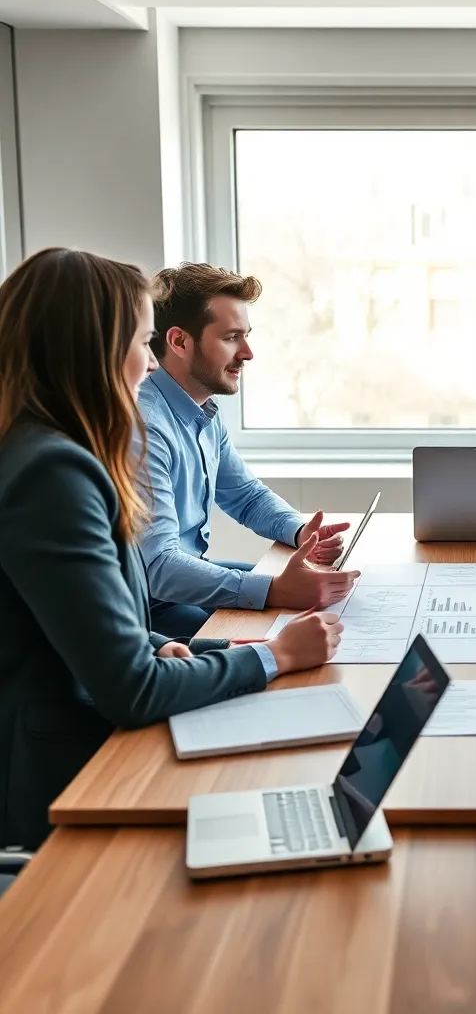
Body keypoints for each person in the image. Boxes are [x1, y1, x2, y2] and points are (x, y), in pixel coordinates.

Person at [0, 248, 341, 849]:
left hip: (88, 732)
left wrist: (198, 646)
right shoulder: (53, 473)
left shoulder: (56, 452)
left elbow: (97, 622)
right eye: (140, 341)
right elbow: (131, 690)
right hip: (67, 772)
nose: (146, 360)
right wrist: (274, 658)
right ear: (96, 352)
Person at [138, 262, 358, 640]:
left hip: (179, 582)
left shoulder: (200, 410)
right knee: (284, 629)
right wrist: (273, 590)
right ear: (179, 342)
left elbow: (245, 496)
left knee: (323, 601)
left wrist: (303, 531)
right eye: (231, 337)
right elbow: (157, 567)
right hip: (148, 605)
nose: (248, 352)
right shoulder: (144, 425)